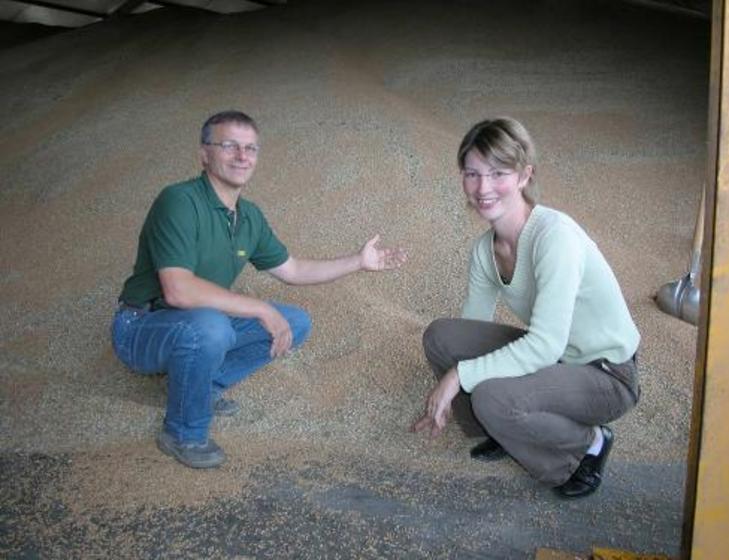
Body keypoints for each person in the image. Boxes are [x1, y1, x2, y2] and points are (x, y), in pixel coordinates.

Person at [112, 110, 406, 469]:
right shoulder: (179, 201)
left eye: (251, 148)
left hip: (197, 324)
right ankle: (182, 432)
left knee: (295, 322)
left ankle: (197, 389)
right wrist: (260, 309)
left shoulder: (248, 216)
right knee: (214, 326)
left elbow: (294, 270)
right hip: (141, 326)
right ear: (204, 154)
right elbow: (177, 291)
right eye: (230, 146)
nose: (242, 156)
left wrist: (357, 261)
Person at [411, 118, 640, 498]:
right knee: (441, 336)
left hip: (606, 373)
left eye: (498, 173)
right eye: (472, 173)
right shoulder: (485, 250)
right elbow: (473, 326)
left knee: (489, 395)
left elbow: (546, 344)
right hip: (559, 360)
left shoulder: (555, 236)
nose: (483, 188)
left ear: (524, 175)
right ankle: (503, 429)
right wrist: (460, 369)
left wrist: (458, 378)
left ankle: (587, 445)